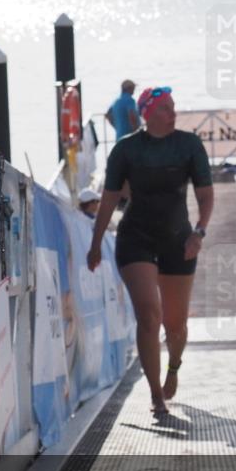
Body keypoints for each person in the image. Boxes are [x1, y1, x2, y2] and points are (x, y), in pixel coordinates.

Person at [87, 87, 214, 416]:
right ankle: (156, 394)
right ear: (147, 114)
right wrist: (96, 242)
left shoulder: (189, 145)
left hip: (178, 239)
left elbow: (205, 195)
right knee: (148, 315)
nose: (173, 113)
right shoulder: (126, 149)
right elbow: (109, 199)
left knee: (175, 325)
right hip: (136, 237)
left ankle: (174, 366)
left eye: (173, 107)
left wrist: (199, 232)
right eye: (165, 109)